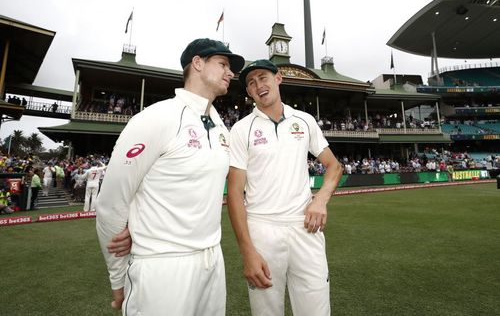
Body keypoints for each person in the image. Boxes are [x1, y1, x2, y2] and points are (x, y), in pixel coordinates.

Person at [95, 38, 244, 315]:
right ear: (197, 63)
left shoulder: (222, 126)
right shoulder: (155, 118)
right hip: (162, 265)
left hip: (213, 261)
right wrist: (117, 277)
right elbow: (111, 203)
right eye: (223, 64)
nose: (230, 73)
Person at [227, 59, 343, 316]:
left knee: (316, 310)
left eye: (263, 77)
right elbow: (234, 193)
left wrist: (320, 199)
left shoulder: (304, 121)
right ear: (248, 92)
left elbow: (334, 167)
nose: (258, 85)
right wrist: (247, 252)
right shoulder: (240, 130)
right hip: (262, 231)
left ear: (279, 78)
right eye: (251, 82)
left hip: (306, 228)